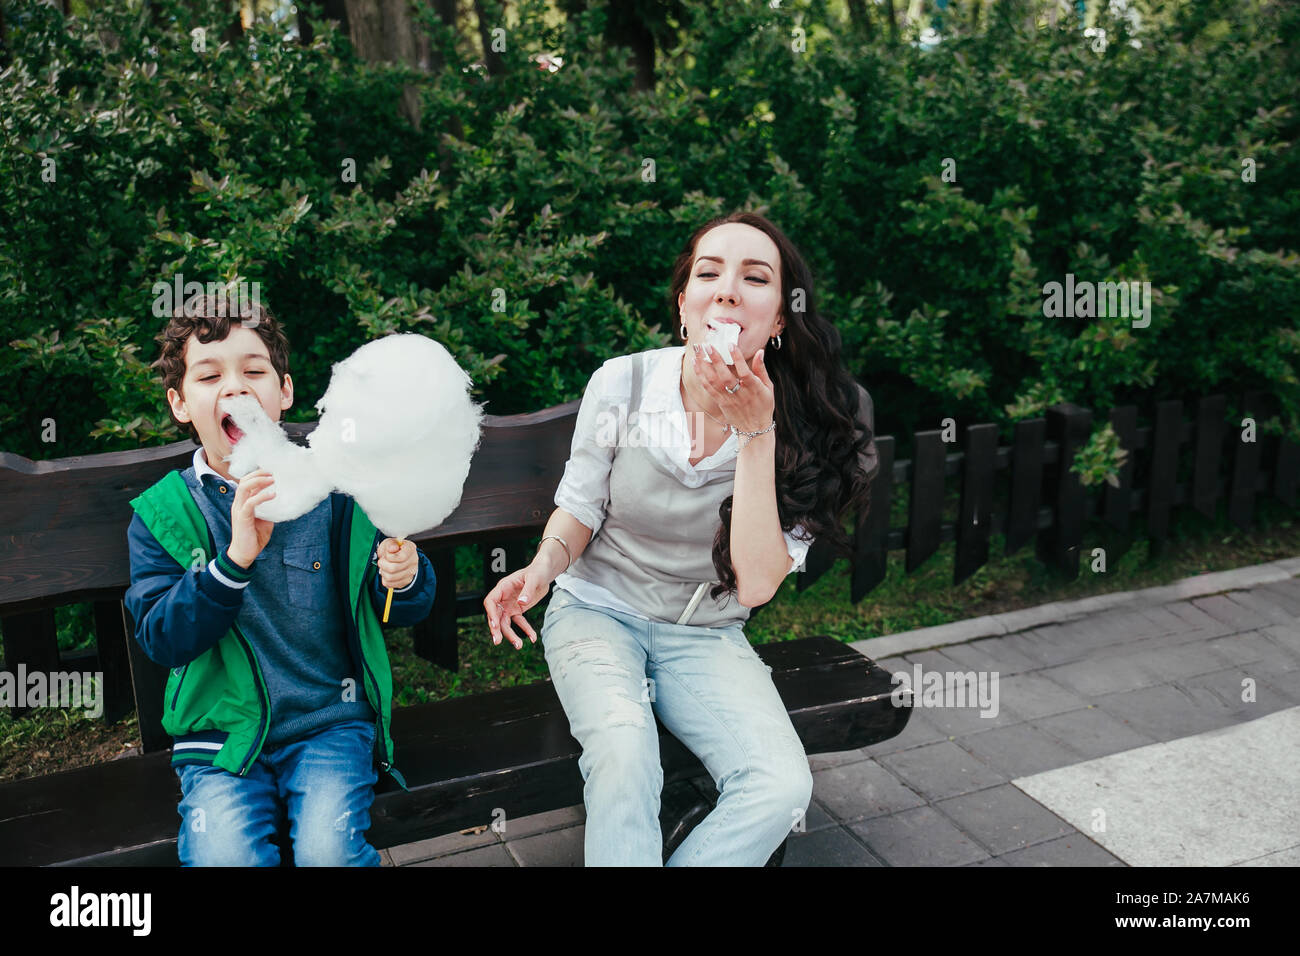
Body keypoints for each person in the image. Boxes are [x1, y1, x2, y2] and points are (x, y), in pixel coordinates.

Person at [484, 212, 877, 866]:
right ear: (685, 307)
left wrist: (757, 433)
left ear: (778, 319)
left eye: (755, 278)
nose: (727, 290)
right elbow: (578, 508)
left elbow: (755, 583)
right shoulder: (624, 384)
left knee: (783, 787)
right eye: (708, 273)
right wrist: (542, 569)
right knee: (623, 752)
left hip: (706, 632)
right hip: (598, 613)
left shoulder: (807, 428)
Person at [124, 295, 435, 866]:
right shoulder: (164, 513)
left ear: (285, 392)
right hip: (220, 741)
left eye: (254, 371)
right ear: (180, 404)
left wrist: (406, 576)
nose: (236, 389)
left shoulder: (337, 493)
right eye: (210, 375)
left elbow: (396, 609)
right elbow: (162, 637)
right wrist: (233, 561)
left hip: (329, 725)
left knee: (329, 853)